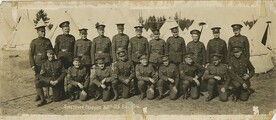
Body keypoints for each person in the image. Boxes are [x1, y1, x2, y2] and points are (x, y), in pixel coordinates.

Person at [29, 22, 53, 102]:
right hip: (38, 63)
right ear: (38, 32)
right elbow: (31, 55)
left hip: (46, 63)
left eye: (44, 31)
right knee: (38, 79)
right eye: (41, 31)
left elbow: (51, 51)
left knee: (46, 78)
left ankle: (47, 94)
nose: (43, 33)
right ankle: (39, 94)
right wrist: (32, 65)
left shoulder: (48, 41)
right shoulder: (34, 42)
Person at [128, 24, 149, 95]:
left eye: (140, 31)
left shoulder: (145, 39)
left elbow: (147, 51)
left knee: (144, 73)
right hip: (134, 60)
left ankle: (144, 89)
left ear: (142, 31)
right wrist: (130, 60)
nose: (139, 33)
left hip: (142, 61)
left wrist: (146, 60)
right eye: (137, 31)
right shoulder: (132, 39)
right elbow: (129, 51)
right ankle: (136, 90)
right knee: (135, 75)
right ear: (135, 32)